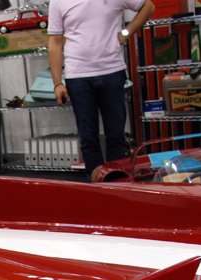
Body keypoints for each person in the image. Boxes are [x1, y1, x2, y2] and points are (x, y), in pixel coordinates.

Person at [48, 0, 155, 179]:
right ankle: (96, 184)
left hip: (112, 71)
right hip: (78, 76)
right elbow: (55, 41)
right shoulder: (58, 2)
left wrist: (125, 33)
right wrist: (58, 83)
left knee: (116, 135)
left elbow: (148, 7)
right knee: (88, 138)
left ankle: (117, 183)